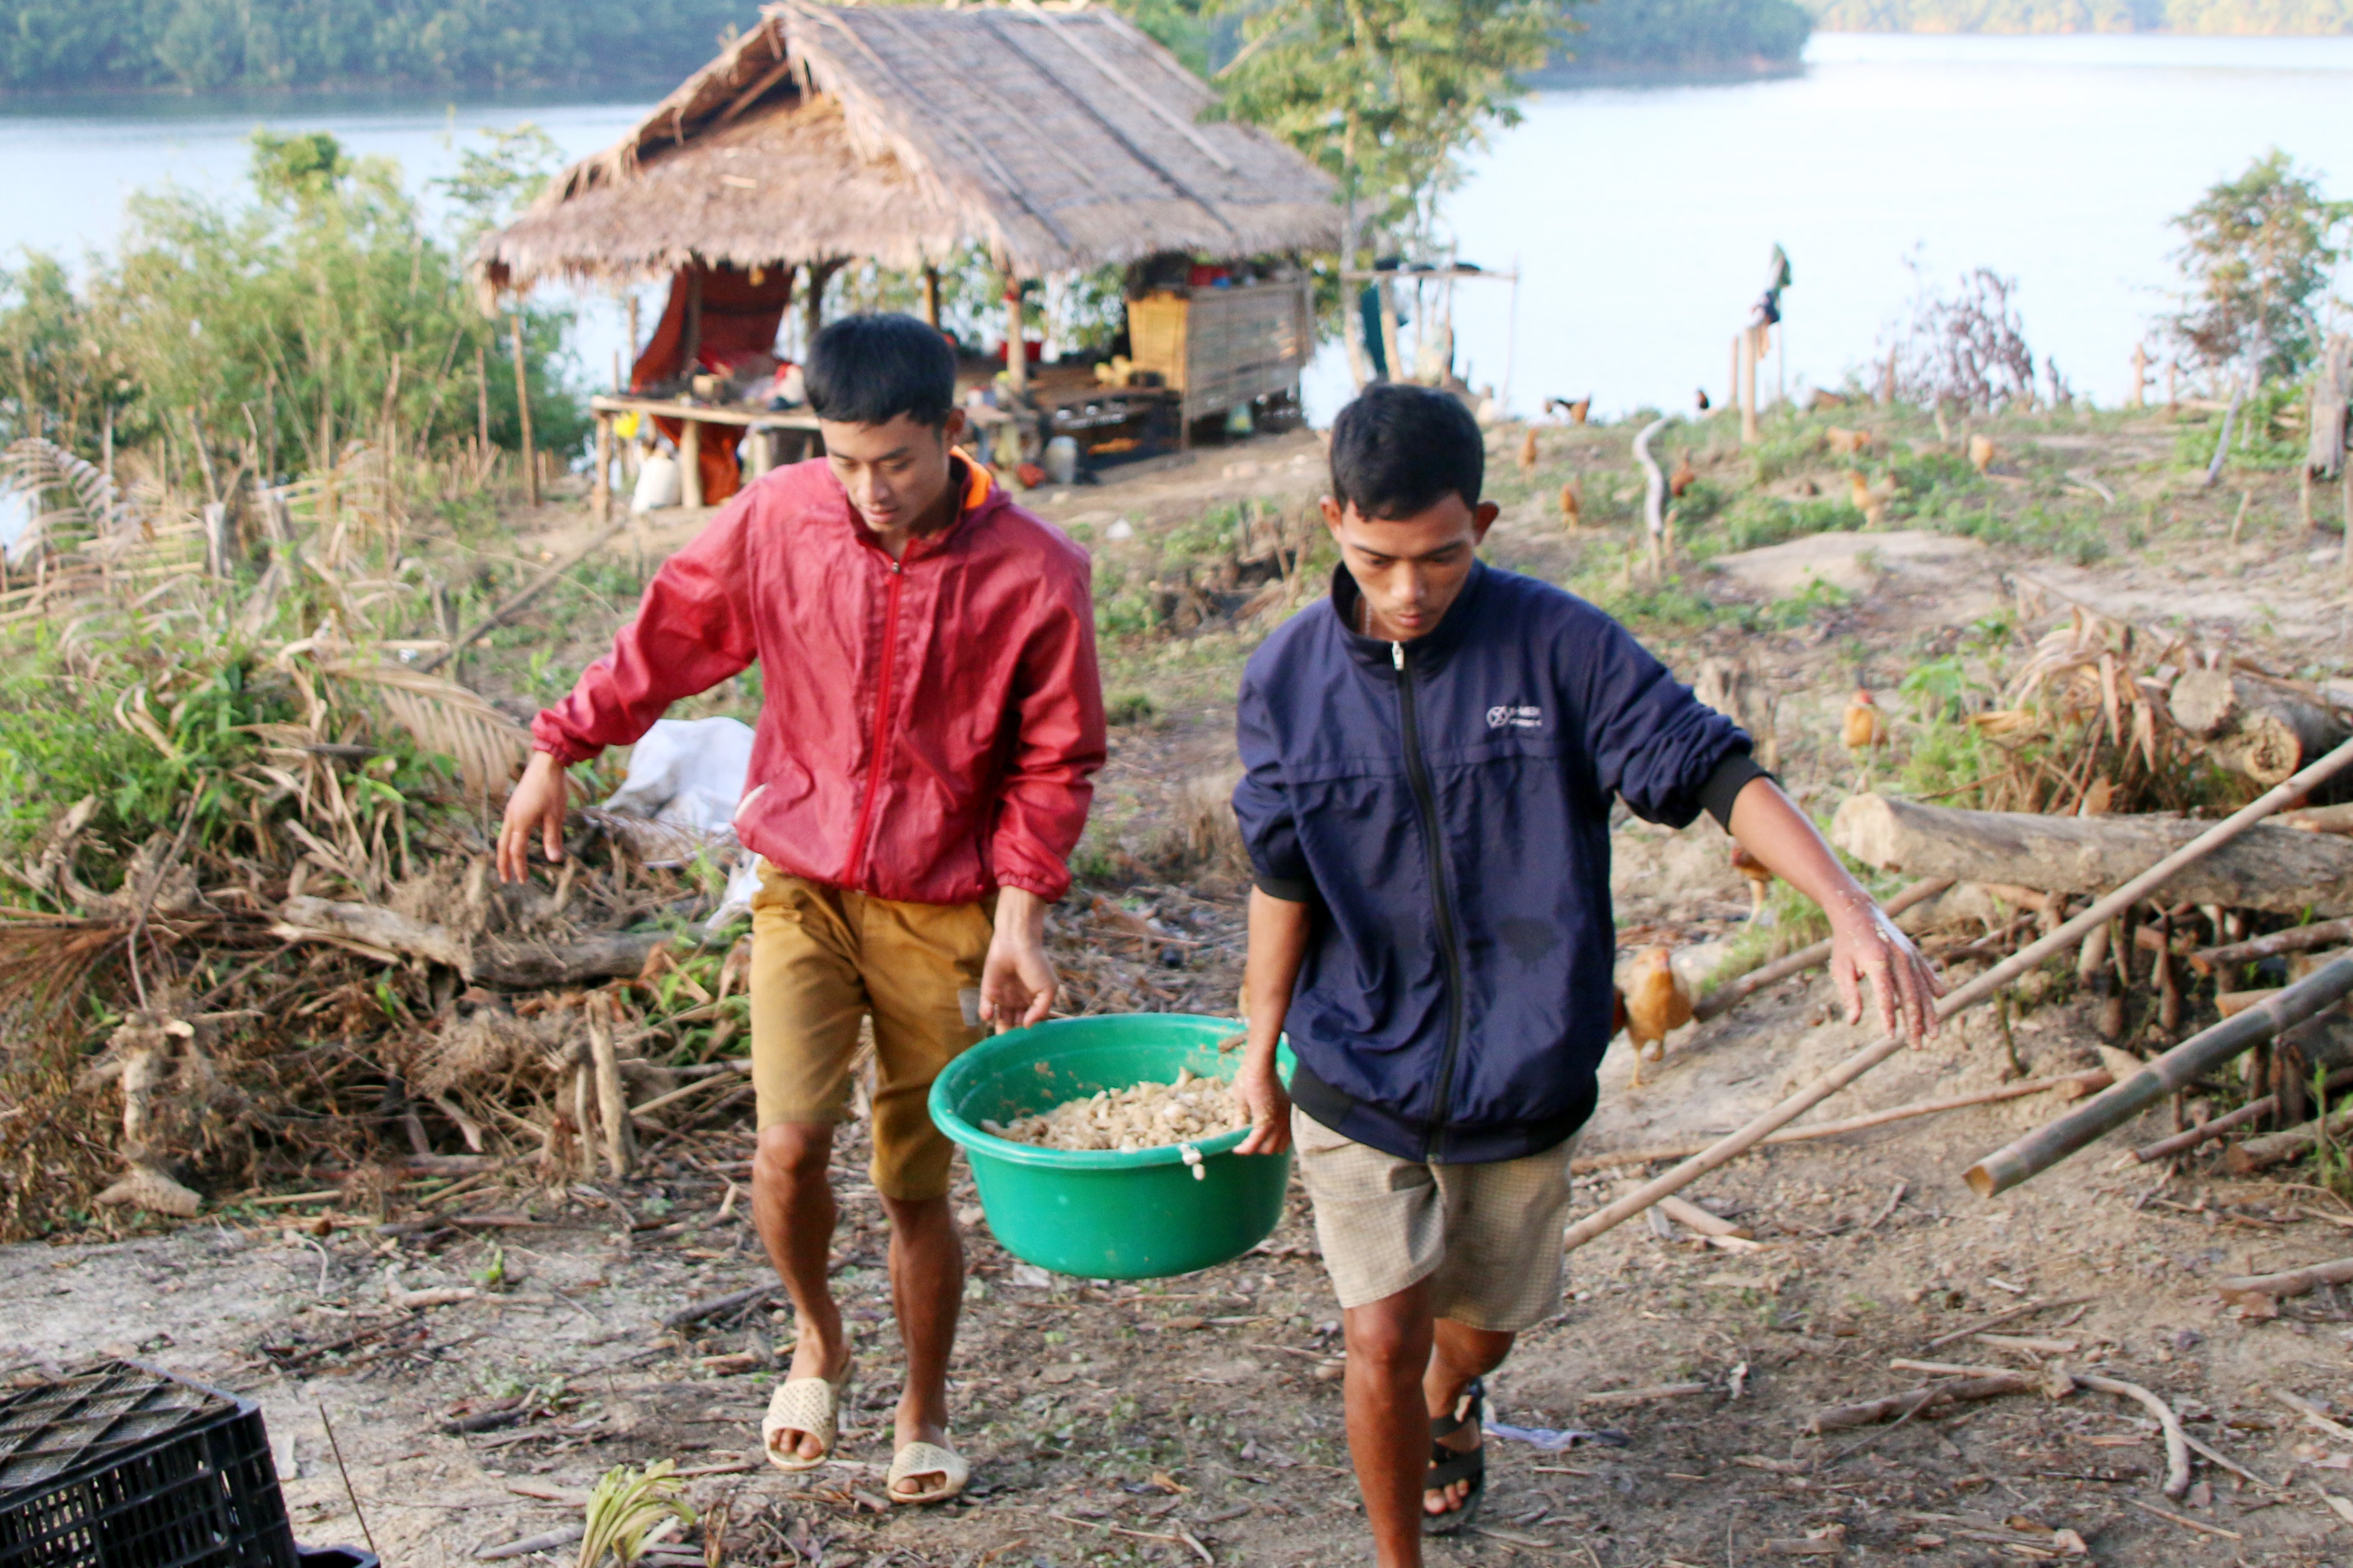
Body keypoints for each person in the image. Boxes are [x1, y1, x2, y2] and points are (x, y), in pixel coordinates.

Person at [1227, 384, 1939, 1566]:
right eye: (1378, 559)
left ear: (1486, 525)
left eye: (1442, 558)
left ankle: (1461, 1397)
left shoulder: (1560, 646)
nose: (1409, 591)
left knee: (1482, 1325)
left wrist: (1849, 909)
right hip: (1357, 1058)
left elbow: (1711, 772)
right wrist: (1259, 1048)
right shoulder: (1286, 678)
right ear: (1332, 523)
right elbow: (1281, 874)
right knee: (1379, 1335)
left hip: (1527, 1063)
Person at [496, 311, 1104, 1506]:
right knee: (786, 1146)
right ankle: (817, 1334)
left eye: (898, 462)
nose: (871, 491)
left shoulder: (1037, 573)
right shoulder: (778, 520)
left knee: (912, 1186)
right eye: (844, 461)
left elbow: (1055, 762)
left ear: (952, 432)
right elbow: (668, 640)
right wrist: (558, 744)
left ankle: (924, 1404)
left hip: (946, 910)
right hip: (801, 885)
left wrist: (1023, 922)